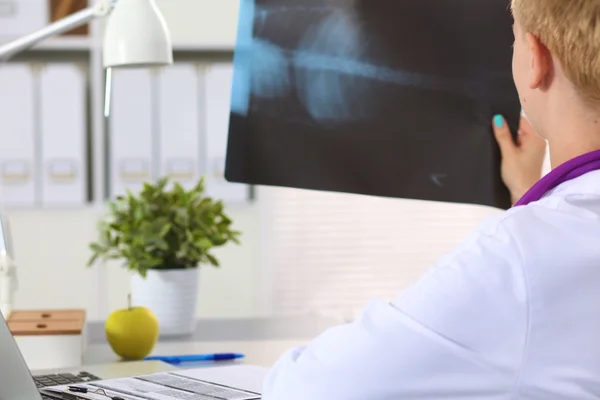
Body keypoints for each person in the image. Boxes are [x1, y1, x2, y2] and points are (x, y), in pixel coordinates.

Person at [262, 0, 600, 398]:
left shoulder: (520, 258)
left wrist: (532, 222)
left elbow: (309, 388)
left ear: (536, 61)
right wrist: (531, 198)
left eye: (513, 41)